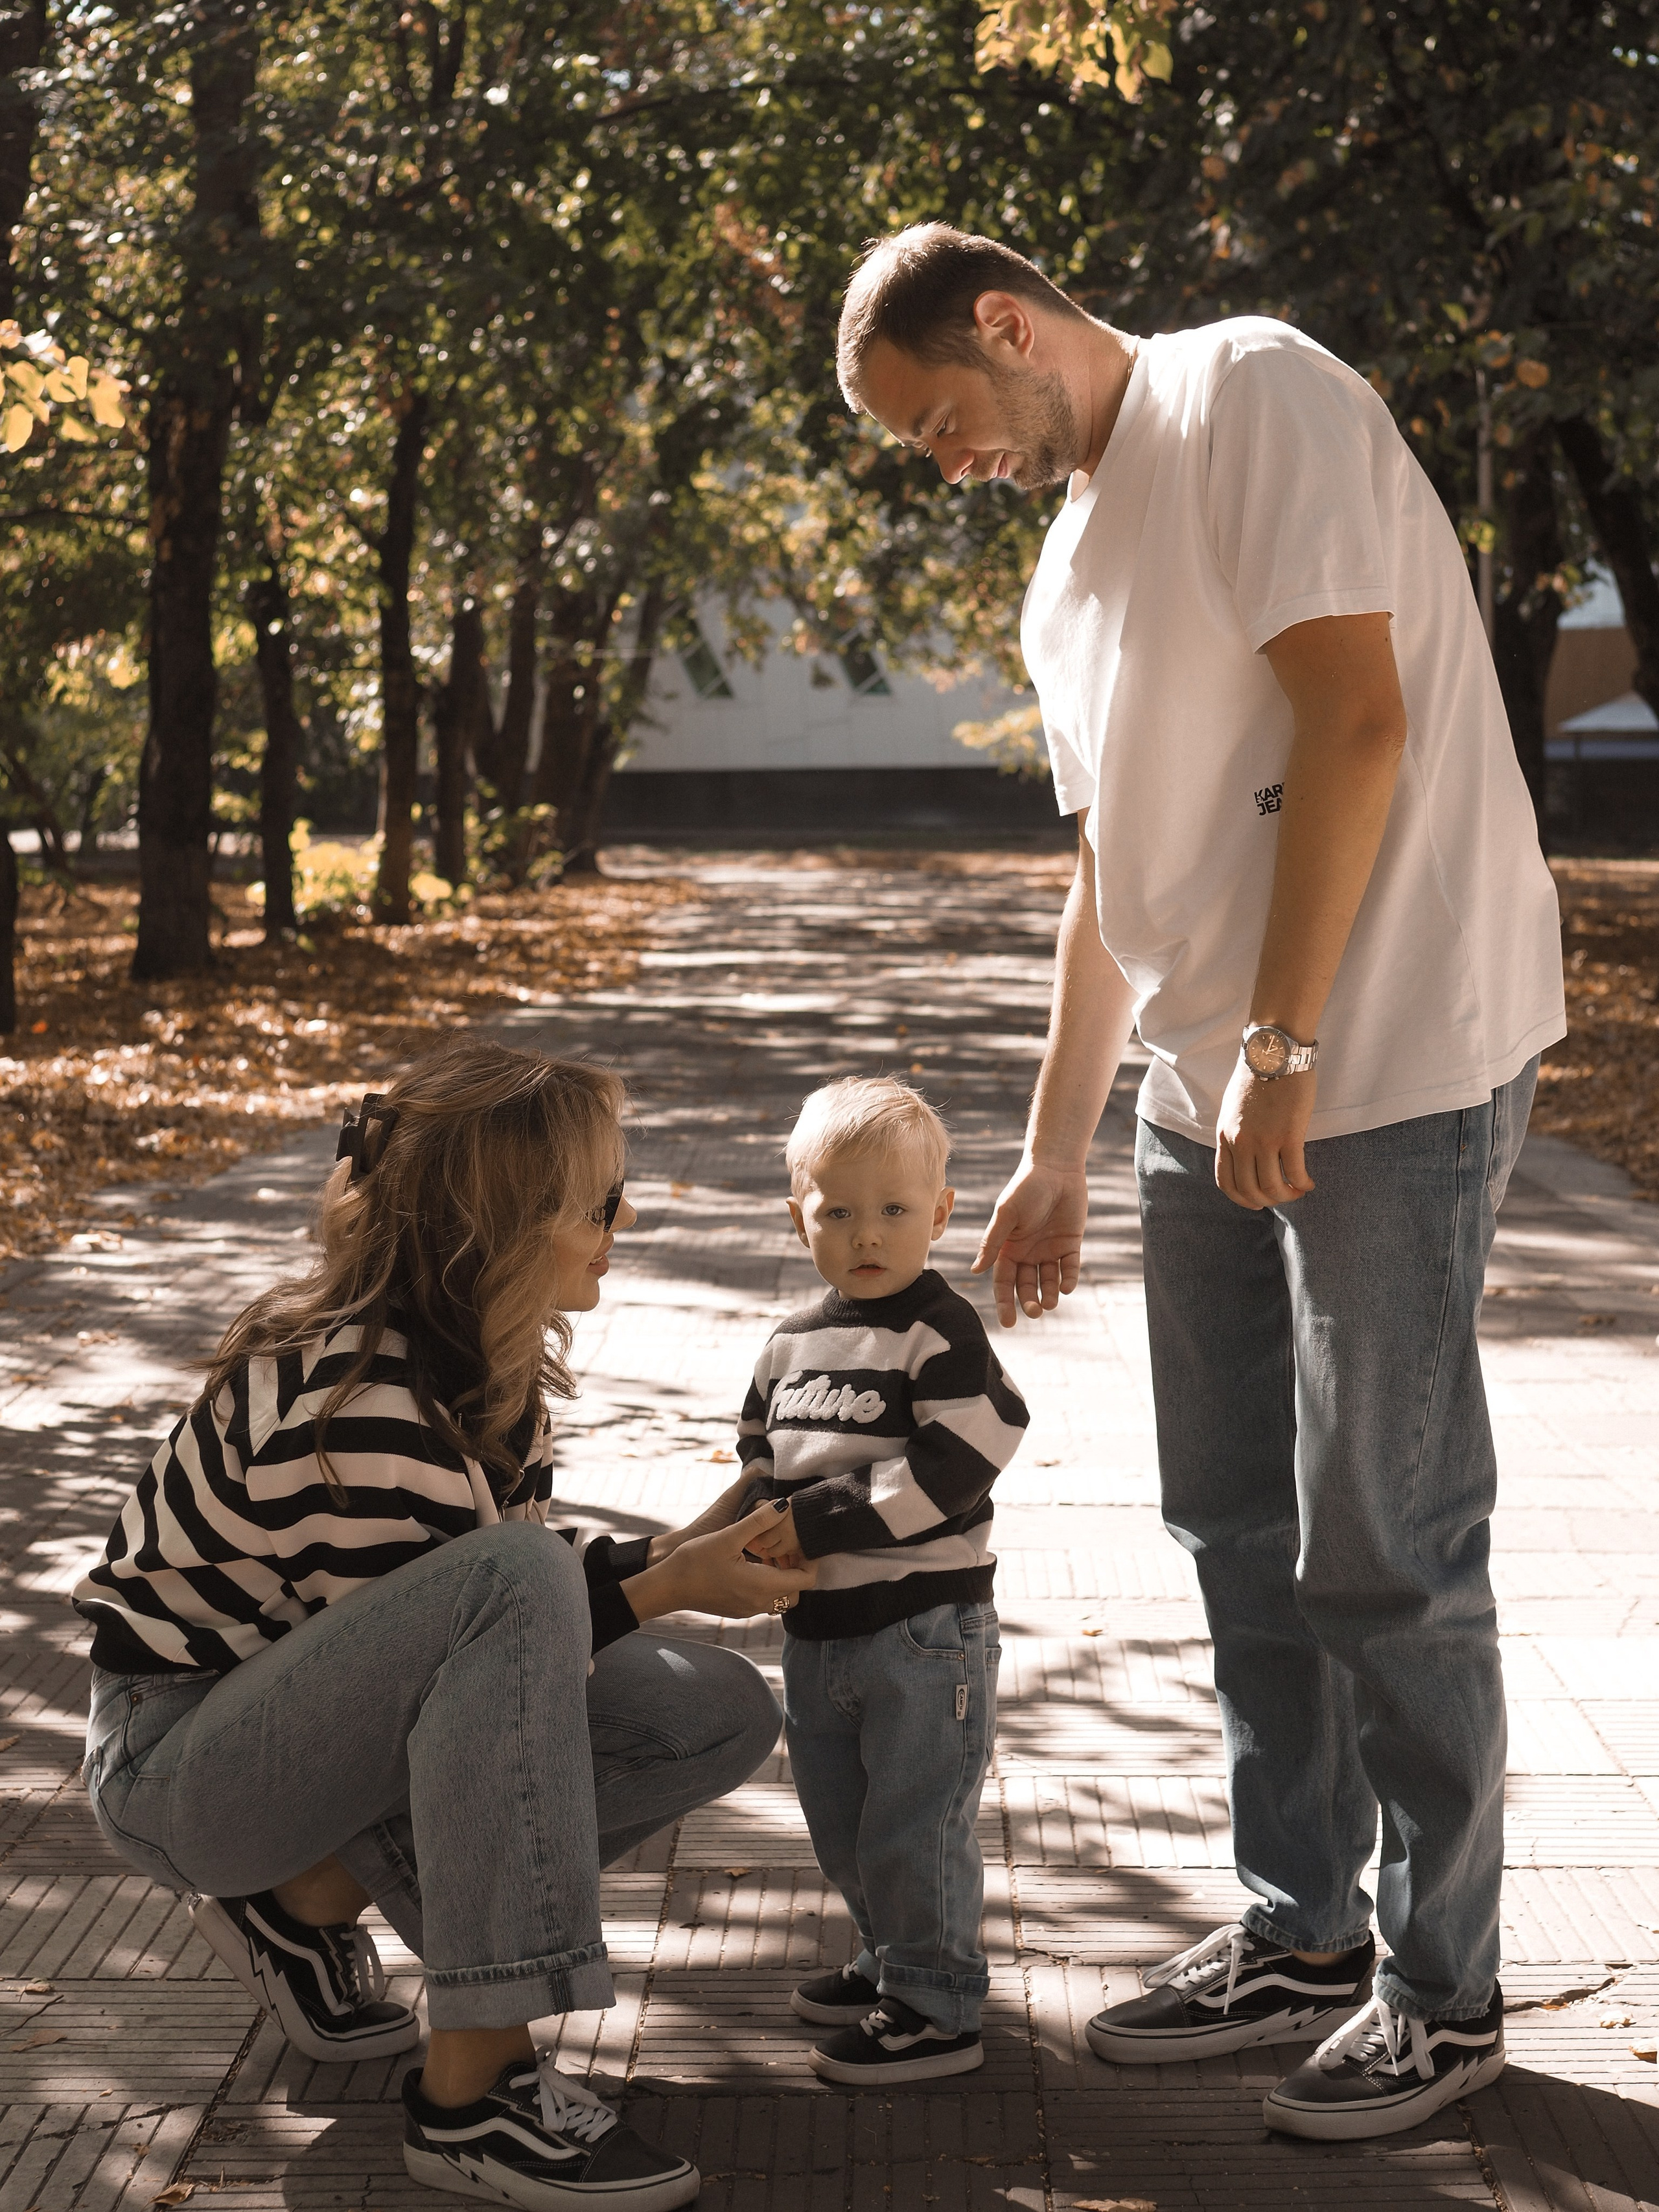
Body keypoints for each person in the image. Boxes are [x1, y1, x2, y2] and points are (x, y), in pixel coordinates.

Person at [835, 225, 1564, 2142]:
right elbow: (1110, 886)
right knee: (1235, 1514)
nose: (948, 465)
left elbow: (1362, 715)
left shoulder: (1250, 389)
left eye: (939, 423)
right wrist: (1052, 1143)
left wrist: (1293, 1039)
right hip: (1208, 1085)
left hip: (1382, 1053)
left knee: (1387, 1537)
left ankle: (1445, 1987)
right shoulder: (1066, 572)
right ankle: (1302, 1924)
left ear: (1005, 323)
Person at [73, 1037, 816, 2212]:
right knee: (522, 1585)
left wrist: (683, 1549)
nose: (622, 1225)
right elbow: (480, 1624)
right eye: (603, 1204)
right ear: (505, 1234)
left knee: (713, 1708)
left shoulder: (469, 1360)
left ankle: (308, 1899)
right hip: (176, 1764)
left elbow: (480, 1617)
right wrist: (663, 1585)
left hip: (282, 1711)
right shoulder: (361, 1401)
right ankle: (476, 2089)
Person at [738, 1077, 1028, 2084]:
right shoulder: (789, 1345)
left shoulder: (939, 1331)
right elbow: (759, 1466)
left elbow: (968, 1452)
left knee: (916, 1819)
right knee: (843, 1819)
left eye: (896, 1211)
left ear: (940, 1215)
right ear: (798, 1217)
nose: (868, 1234)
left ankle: (938, 1999)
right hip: (819, 1629)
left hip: (923, 1628)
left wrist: (813, 1517)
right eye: (840, 1211)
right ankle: (886, 1954)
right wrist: (739, 1534)